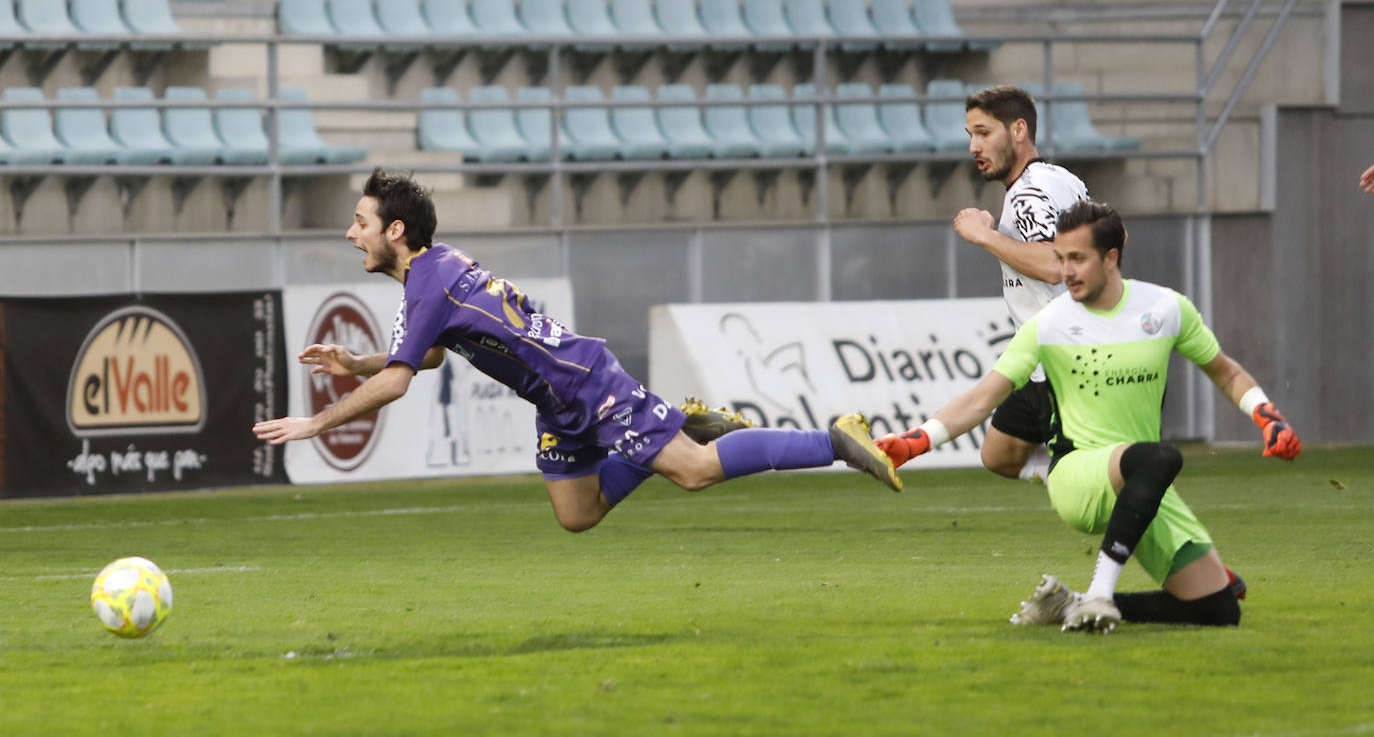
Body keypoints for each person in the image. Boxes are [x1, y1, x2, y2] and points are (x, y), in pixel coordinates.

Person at [252, 168, 902, 531]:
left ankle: (835, 439)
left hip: (583, 379)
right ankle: (676, 424)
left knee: (695, 471)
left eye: (360, 222)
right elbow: (426, 357)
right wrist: (357, 363)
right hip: (557, 399)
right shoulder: (432, 269)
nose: (350, 233)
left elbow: (399, 382)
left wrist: (316, 422)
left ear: (394, 230)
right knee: (577, 514)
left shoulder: (429, 284)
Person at [874, 200, 1301, 634]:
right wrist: (916, 441)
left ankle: (1070, 603)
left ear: (1110, 258)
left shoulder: (1166, 308)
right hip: (1079, 476)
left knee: (1218, 609)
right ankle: (1099, 594)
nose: (1066, 271)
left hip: (1142, 483)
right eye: (1060, 258)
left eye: (1077, 258)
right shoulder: (1049, 324)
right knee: (1160, 457)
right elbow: (981, 400)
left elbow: (1226, 372)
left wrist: (1268, 417)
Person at [957, 86, 1090, 483]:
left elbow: (1053, 265)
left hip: (1066, 363)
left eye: (984, 133)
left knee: (1087, 491)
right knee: (999, 454)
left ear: (1018, 130)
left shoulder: (1028, 194)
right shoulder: (1061, 178)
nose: (974, 147)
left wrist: (985, 236)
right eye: (971, 135)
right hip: (1040, 360)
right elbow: (1115, 239)